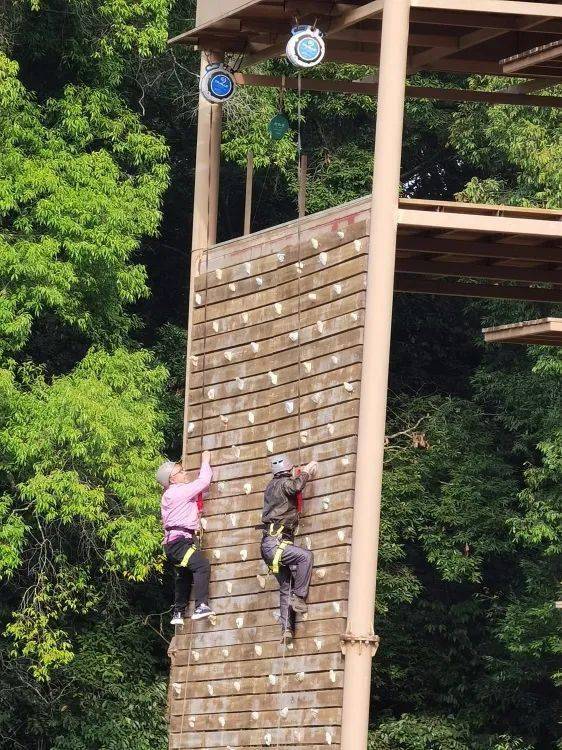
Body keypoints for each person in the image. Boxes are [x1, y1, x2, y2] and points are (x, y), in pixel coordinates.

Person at [260, 454, 318, 643]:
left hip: (269, 546)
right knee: (305, 558)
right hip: (276, 543)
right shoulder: (284, 483)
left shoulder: (271, 486)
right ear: (287, 470)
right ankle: (300, 597)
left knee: (287, 586)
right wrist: (307, 471)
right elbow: (295, 486)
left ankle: (286, 629)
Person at [157, 450, 215, 625]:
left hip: (173, 544)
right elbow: (204, 481)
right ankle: (201, 606)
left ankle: (178, 612)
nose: (185, 473)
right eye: (180, 472)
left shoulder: (167, 496)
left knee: (184, 574)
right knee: (202, 566)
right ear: (172, 479)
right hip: (181, 541)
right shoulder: (178, 492)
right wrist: (205, 461)